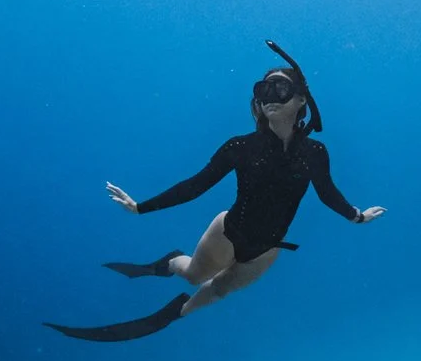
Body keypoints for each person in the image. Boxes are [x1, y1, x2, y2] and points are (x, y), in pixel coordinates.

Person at [44, 40, 385, 341]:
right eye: (262, 91)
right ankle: (171, 261)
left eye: (279, 90)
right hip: (228, 232)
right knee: (194, 275)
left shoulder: (314, 153)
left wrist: (356, 216)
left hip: (267, 250)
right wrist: (140, 208)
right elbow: (195, 185)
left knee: (219, 289)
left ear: (300, 100)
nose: (269, 98)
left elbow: (327, 193)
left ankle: (172, 316)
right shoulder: (239, 147)